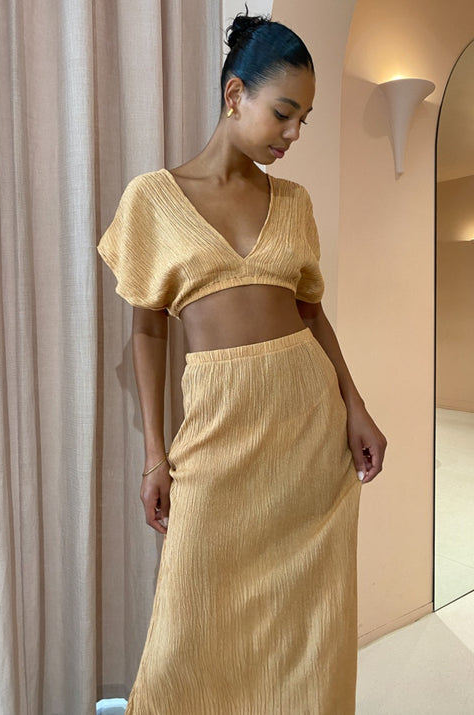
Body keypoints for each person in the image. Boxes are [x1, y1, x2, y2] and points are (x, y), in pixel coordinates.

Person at [97, 11, 386, 714]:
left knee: (307, 628)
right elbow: (148, 332)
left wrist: (355, 406)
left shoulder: (293, 202)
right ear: (235, 95)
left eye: (303, 120)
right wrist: (155, 456)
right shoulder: (152, 198)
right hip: (219, 430)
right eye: (283, 113)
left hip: (307, 433)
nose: (293, 134)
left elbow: (310, 313)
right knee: (189, 623)